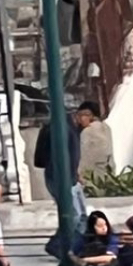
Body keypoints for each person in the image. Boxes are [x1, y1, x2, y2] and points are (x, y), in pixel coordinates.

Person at [34, 108, 86, 257]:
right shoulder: (62, 129)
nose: (89, 124)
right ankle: (57, 246)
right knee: (73, 216)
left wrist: (76, 174)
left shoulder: (73, 129)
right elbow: (58, 157)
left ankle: (73, 248)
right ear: (82, 114)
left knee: (82, 216)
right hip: (61, 179)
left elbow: (71, 156)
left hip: (71, 179)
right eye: (90, 119)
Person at [76, 101, 114, 187]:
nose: (80, 119)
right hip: (107, 174)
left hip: (92, 177)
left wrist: (80, 175)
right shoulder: (107, 128)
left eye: (82, 115)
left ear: (90, 115)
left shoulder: (88, 132)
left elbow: (86, 157)